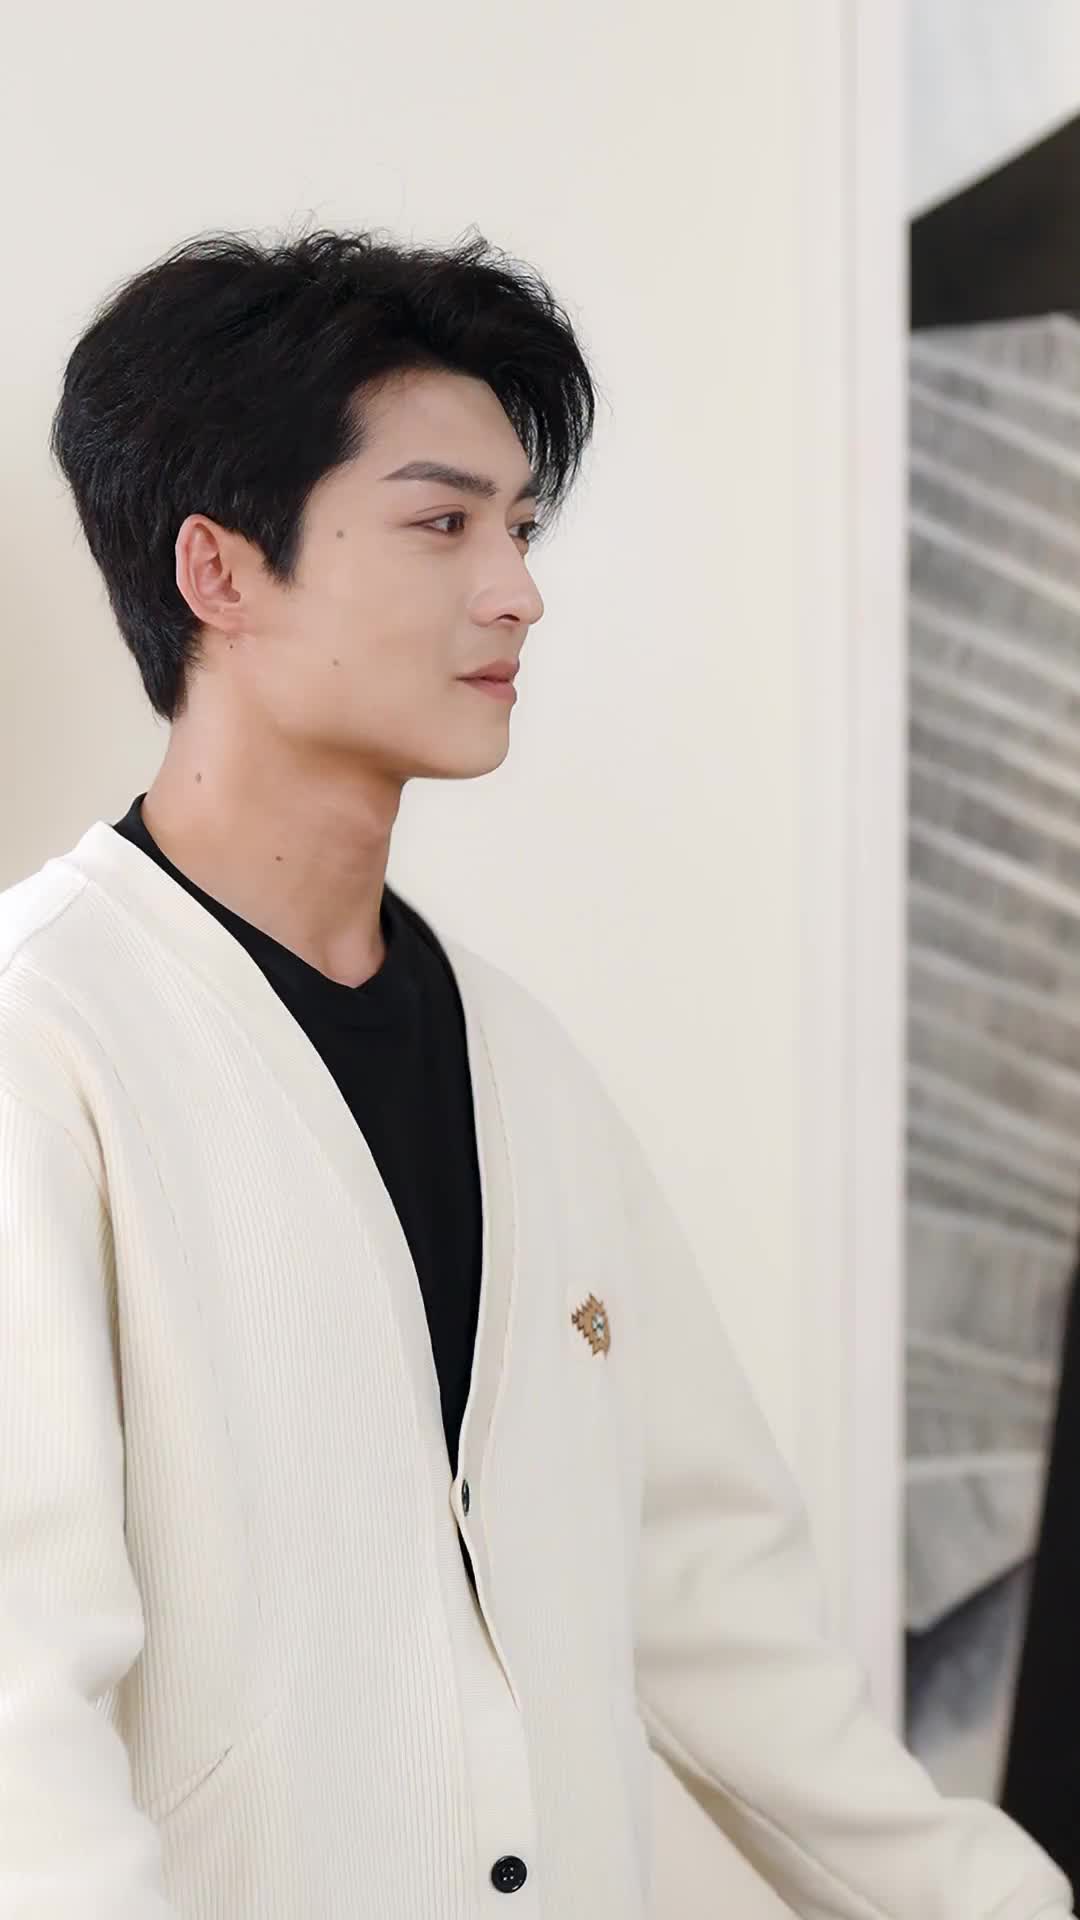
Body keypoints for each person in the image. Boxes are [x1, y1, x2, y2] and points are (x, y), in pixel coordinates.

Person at [0, 226, 1070, 1920]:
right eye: (443, 524)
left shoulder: (523, 1068)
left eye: (520, 526)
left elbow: (712, 1608)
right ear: (218, 570)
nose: (516, 589)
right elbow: (18, 1725)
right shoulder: (45, 1038)